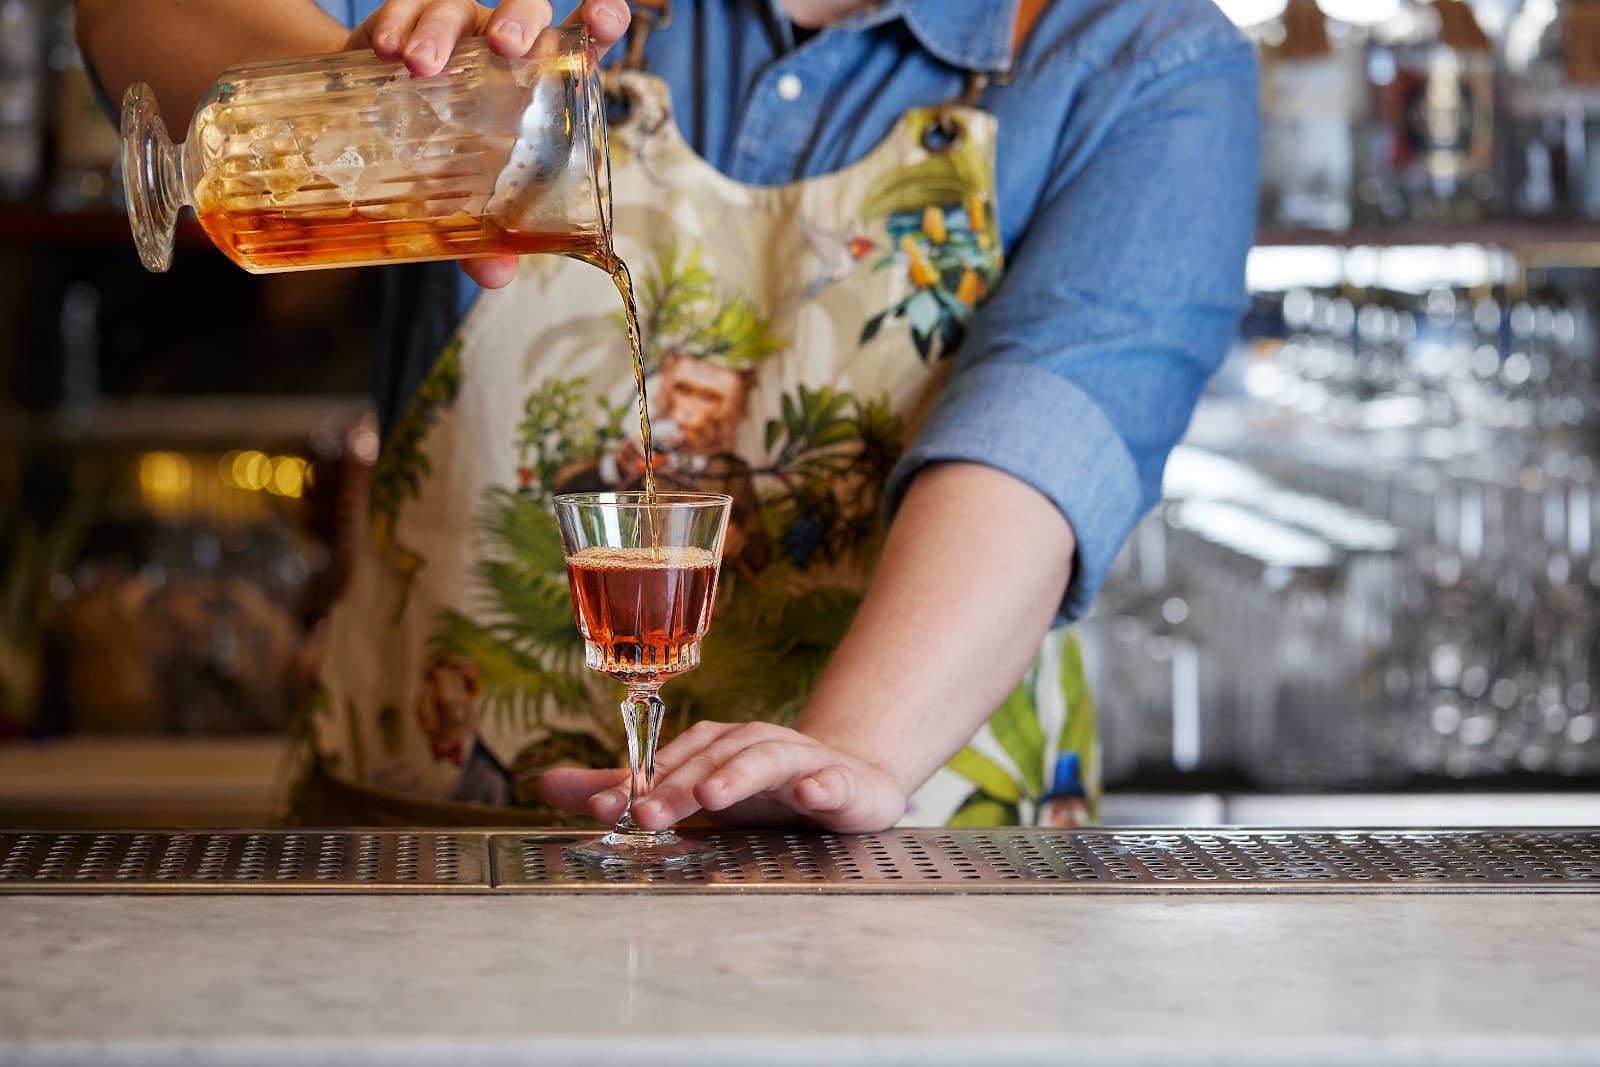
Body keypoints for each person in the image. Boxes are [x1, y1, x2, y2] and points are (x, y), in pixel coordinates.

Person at [78, 0, 1258, 832]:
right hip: (430, 852)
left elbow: (1040, 441)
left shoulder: (1146, 56)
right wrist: (377, 105)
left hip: (900, 868)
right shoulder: (536, 16)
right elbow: (136, 13)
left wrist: (845, 757)